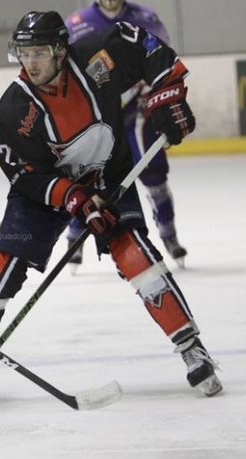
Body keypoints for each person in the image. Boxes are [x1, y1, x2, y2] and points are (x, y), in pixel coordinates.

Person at [0, 11, 221, 398]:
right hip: (48, 191)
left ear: (60, 51)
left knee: (135, 254)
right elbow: (25, 174)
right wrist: (74, 198)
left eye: (39, 53)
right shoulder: (15, 108)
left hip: (108, 175)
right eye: (24, 54)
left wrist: (168, 96)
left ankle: (192, 349)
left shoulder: (99, 56)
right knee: (3, 266)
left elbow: (147, 47)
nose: (30, 63)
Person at [63, 0, 188, 270]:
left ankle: (168, 233)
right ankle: (75, 235)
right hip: (98, 117)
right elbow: (66, 72)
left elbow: (161, 57)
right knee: (86, 177)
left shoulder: (146, 17)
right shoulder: (76, 24)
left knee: (154, 172)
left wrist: (160, 95)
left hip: (138, 112)